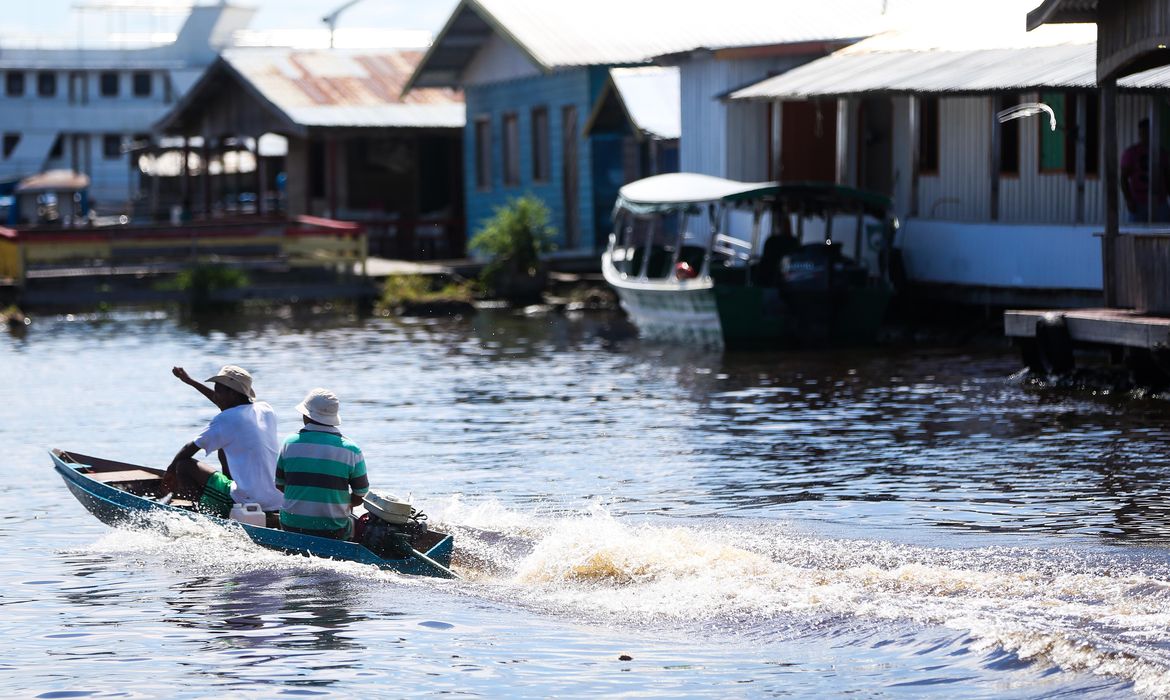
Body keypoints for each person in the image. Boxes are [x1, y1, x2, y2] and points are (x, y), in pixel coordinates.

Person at [162, 365, 282, 518]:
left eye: (218, 389)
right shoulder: (266, 410)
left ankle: (206, 517)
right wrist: (190, 381)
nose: (215, 394)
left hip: (247, 499)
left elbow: (189, 449)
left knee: (183, 465)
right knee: (223, 446)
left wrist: (170, 472)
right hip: (275, 499)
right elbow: (224, 404)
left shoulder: (226, 419)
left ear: (232, 393)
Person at [275, 388, 369, 540]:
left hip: (291, 525)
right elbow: (361, 494)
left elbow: (280, 485)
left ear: (306, 415)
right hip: (333, 530)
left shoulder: (289, 443)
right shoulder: (352, 450)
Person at [1121, 118, 1170, 223]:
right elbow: (1123, 178)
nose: (1145, 135)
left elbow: (1167, 176)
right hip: (1138, 202)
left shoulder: (1162, 153)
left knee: (1163, 233)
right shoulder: (1131, 153)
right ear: (1139, 133)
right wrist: (1129, 200)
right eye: (1143, 132)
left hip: (1160, 202)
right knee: (1137, 234)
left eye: (1148, 132)